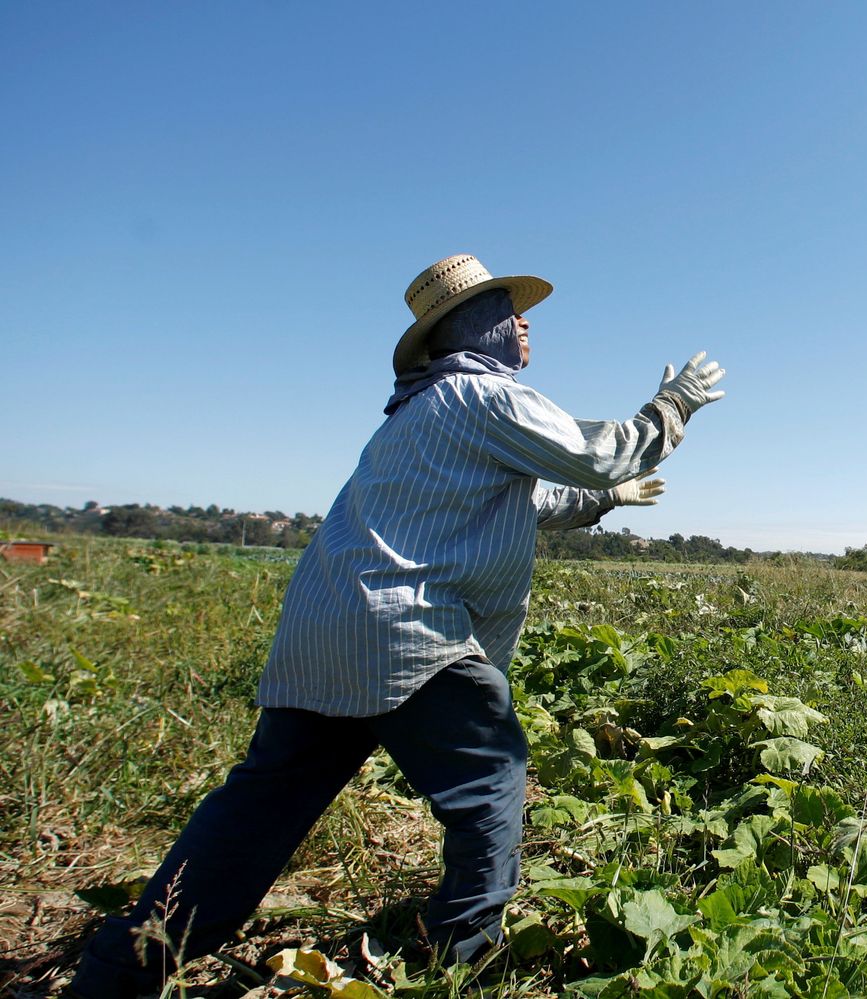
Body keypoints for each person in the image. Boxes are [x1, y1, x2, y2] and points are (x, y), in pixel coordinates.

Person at [69, 254, 728, 997]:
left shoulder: (422, 410)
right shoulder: (484, 395)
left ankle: (115, 975)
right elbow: (602, 452)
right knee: (490, 784)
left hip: (323, 635)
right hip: (409, 631)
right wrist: (671, 407)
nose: (524, 320)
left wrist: (607, 500)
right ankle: (460, 961)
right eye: (508, 308)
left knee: (253, 817)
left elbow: (533, 502)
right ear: (474, 326)